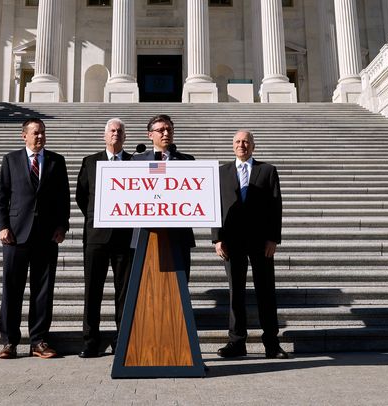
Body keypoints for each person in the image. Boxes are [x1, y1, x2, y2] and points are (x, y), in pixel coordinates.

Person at [0, 118, 70, 359]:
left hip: (46, 235)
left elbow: (63, 198)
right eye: (35, 133)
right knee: (12, 289)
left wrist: (62, 226)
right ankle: (9, 342)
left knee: (43, 290)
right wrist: (2, 227)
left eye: (43, 133)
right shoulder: (11, 160)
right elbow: (2, 196)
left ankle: (39, 340)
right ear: (24, 135)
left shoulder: (57, 161)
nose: (40, 137)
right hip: (15, 235)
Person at [211, 130, 289, 359]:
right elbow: (215, 206)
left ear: (253, 145)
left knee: (266, 291)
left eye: (245, 141)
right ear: (232, 145)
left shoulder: (267, 171)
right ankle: (236, 342)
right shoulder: (221, 172)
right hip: (231, 241)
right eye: (237, 141)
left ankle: (272, 344)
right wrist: (217, 238)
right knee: (236, 292)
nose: (241, 145)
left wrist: (273, 238)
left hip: (261, 241)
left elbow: (276, 206)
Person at [75, 118, 134, 358]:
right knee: (93, 290)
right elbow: (82, 196)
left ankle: (123, 340)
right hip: (96, 236)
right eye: (112, 130)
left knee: (124, 292)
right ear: (104, 135)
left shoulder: (134, 162)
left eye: (120, 131)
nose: (116, 134)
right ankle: (91, 341)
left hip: (125, 236)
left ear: (125, 137)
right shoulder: (90, 162)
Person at [132, 114, 196, 279]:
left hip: (179, 232)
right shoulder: (135, 161)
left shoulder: (187, 161)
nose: (166, 133)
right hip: (146, 232)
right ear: (150, 135)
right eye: (161, 130)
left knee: (180, 281)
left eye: (169, 129)